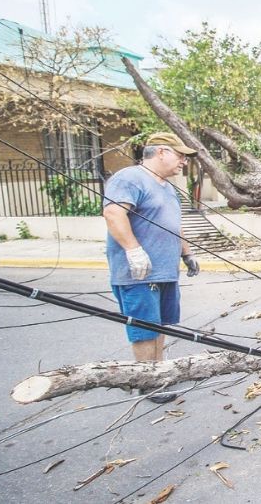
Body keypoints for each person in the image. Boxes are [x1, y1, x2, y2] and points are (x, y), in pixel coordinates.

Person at [103, 132, 200, 404]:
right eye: (179, 155)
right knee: (145, 328)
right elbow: (113, 213)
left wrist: (187, 253)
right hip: (139, 273)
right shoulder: (129, 178)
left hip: (165, 270)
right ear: (160, 152)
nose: (183, 161)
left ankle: (159, 374)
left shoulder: (168, 188)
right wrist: (133, 250)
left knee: (161, 326)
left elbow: (173, 223)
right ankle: (148, 382)